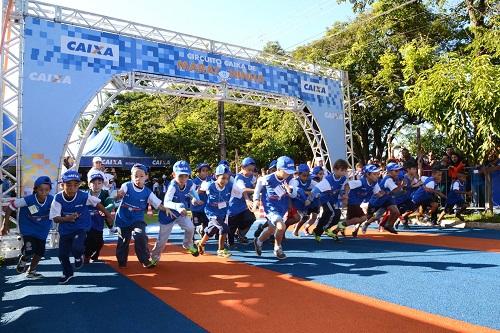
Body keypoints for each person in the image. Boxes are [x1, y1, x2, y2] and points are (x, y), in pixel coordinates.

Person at [50, 170, 113, 284]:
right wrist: (67, 219)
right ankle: (68, 273)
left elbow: (97, 204)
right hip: (65, 230)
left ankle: (79, 257)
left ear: (79, 185)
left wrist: (108, 215)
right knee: (62, 255)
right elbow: (55, 218)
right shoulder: (58, 198)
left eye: (75, 185)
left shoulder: (84, 196)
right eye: (68, 185)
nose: (72, 188)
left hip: (81, 227)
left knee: (77, 247)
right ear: (62, 185)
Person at [114, 164, 175, 268]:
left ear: (146, 177)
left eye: (141, 176)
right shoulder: (127, 186)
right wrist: (118, 195)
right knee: (124, 240)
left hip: (137, 220)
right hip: (123, 219)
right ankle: (122, 261)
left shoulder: (147, 192)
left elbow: (157, 204)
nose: (138, 178)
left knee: (140, 235)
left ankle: (145, 260)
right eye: (135, 176)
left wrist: (166, 209)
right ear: (131, 177)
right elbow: (119, 194)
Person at [1, 176, 54, 279]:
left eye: (47, 190)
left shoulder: (53, 200)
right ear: (35, 189)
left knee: (40, 252)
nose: (44, 192)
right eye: (41, 189)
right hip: (28, 228)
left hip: (42, 230)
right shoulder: (28, 200)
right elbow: (10, 207)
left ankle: (31, 271)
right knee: (30, 249)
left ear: (50, 190)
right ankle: (24, 258)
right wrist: (5, 225)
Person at [151, 161, 201, 264]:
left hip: (180, 214)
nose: (183, 179)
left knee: (191, 227)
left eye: (186, 176)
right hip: (167, 215)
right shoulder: (173, 185)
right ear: (174, 175)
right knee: (162, 240)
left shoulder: (190, 183)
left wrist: (196, 199)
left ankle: (187, 244)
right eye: (180, 176)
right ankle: (154, 257)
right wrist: (178, 207)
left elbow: (192, 192)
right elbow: (167, 202)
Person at [253, 156, 297, 260]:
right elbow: (258, 188)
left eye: (290, 171)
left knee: (271, 230)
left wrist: (289, 190)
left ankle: (258, 241)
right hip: (270, 208)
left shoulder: (291, 180)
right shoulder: (267, 179)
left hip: (282, 208)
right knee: (281, 227)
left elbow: (294, 195)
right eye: (286, 171)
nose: (288, 174)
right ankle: (277, 248)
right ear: (278, 169)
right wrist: (255, 200)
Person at [196, 164, 244, 258]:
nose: (225, 181)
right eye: (223, 178)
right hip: (212, 212)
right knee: (224, 228)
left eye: (227, 178)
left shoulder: (230, 186)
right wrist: (195, 199)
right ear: (216, 176)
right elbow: (198, 191)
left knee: (212, 230)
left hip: (222, 212)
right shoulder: (210, 185)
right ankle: (221, 250)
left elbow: (240, 193)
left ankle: (201, 243)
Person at [331, 164, 383, 236]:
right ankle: (338, 228)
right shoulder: (360, 182)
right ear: (367, 174)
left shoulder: (374, 183)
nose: (377, 175)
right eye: (374, 174)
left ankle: (338, 229)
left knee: (351, 220)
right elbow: (347, 185)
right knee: (363, 218)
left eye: (378, 174)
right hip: (352, 201)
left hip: (358, 203)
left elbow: (379, 194)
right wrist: (346, 195)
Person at [356, 162, 403, 235]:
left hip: (387, 199)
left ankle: (388, 225)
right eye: (396, 171)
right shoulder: (388, 180)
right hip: (378, 200)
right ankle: (361, 225)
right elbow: (395, 190)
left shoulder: (395, 178)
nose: (398, 172)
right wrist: (402, 186)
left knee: (396, 212)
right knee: (371, 216)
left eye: (398, 170)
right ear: (390, 171)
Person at [311, 159, 349, 242]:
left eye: (345, 170)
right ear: (335, 170)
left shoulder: (343, 178)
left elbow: (346, 185)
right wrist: (309, 200)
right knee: (334, 213)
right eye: (342, 170)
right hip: (325, 199)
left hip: (333, 200)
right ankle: (323, 229)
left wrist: (345, 194)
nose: (344, 172)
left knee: (330, 216)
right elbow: (315, 190)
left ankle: (317, 231)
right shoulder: (328, 180)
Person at [84, 172, 115, 263]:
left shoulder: (105, 194)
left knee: (100, 243)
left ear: (102, 184)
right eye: (93, 183)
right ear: (89, 184)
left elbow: (111, 204)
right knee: (89, 240)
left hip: (98, 223)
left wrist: (105, 210)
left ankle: (94, 255)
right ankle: (86, 256)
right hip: (87, 223)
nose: (96, 185)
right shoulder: (85, 195)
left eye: (99, 183)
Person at [228, 157, 257, 247]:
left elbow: (254, 184)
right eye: (249, 170)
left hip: (244, 207)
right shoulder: (238, 178)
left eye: (252, 170)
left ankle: (241, 235)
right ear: (242, 168)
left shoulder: (251, 177)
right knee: (232, 226)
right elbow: (243, 190)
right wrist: (256, 191)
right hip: (234, 207)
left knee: (251, 218)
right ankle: (230, 240)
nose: (251, 172)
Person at [192, 163, 211, 237]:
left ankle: (202, 236)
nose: (205, 172)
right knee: (195, 225)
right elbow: (190, 194)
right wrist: (198, 192)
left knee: (206, 225)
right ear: (199, 172)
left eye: (207, 171)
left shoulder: (210, 180)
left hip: (206, 208)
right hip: (196, 208)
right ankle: (191, 239)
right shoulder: (194, 182)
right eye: (203, 170)